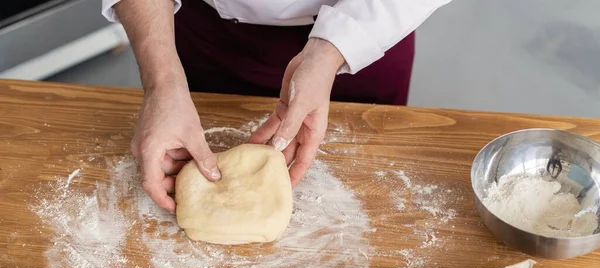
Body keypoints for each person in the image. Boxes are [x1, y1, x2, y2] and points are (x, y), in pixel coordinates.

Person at [101, 0, 453, 213]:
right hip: (201, 33)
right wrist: (162, 82)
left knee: (378, 193)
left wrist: (334, 48)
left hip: (364, 32)